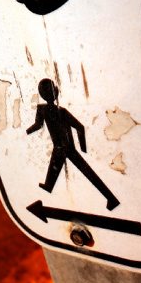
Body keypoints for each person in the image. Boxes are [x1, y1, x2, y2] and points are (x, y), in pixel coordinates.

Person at [26, 78, 120, 211]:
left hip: (67, 148)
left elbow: (37, 125)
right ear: (56, 92)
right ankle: (49, 186)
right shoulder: (56, 111)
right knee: (56, 166)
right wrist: (83, 147)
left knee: (88, 173)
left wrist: (83, 149)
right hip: (61, 148)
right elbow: (79, 127)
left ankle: (112, 199)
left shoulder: (45, 110)